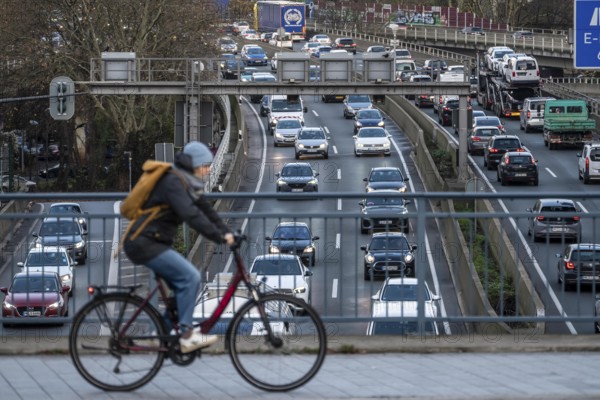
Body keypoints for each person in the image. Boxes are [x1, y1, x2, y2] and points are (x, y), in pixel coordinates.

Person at [123, 141, 234, 353]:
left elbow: (206, 211)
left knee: (180, 291)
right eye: (206, 165)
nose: (209, 169)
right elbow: (190, 215)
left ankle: (161, 335)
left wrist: (228, 231)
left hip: (154, 242)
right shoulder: (173, 182)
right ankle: (186, 334)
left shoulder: (186, 182)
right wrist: (219, 236)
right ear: (194, 165)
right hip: (144, 243)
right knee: (190, 277)